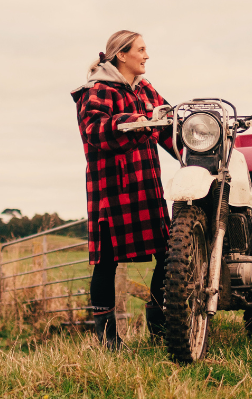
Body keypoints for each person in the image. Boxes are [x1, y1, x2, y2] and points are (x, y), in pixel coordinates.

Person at [71, 30, 175, 349]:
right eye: (141, 50)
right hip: (112, 188)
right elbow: (94, 132)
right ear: (122, 55)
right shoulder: (97, 90)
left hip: (145, 185)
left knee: (169, 253)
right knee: (107, 261)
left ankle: (157, 323)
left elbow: (168, 123)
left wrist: (196, 153)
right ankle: (108, 338)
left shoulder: (145, 89)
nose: (146, 56)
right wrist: (135, 120)